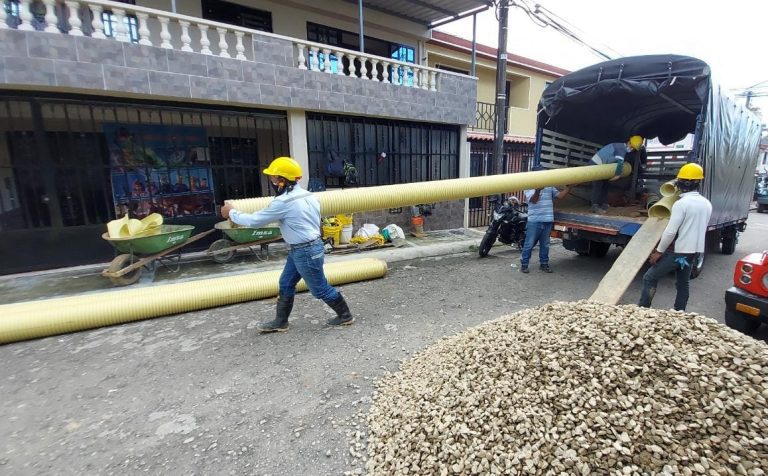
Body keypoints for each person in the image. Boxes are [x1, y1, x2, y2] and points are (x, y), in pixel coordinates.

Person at [220, 156, 354, 333]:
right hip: (302, 249)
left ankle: (345, 316)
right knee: (285, 283)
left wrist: (232, 212)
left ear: (283, 180)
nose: (272, 181)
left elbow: (254, 221)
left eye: (274, 178)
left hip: (305, 251)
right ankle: (281, 321)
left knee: (319, 288)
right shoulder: (308, 196)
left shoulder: (283, 202)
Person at [638, 163, 712, 311]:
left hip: (677, 251)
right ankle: (679, 313)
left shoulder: (681, 204)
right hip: (691, 252)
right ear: (698, 183)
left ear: (679, 183)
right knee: (682, 283)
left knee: (649, 277)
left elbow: (671, 231)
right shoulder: (707, 204)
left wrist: (658, 252)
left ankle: (642, 311)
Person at [519, 168, 572, 274]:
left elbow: (560, 196)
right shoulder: (528, 186)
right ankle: (524, 265)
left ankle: (544, 264)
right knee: (529, 244)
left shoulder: (549, 186)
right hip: (535, 221)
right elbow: (533, 201)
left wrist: (570, 187)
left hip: (547, 220)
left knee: (545, 244)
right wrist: (538, 190)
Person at [589, 135, 644, 214]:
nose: (631, 150)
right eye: (632, 147)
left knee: (605, 185)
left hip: (603, 166)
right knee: (598, 185)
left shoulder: (621, 147)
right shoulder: (620, 148)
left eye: (633, 149)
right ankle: (594, 206)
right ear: (629, 143)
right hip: (595, 165)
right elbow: (620, 163)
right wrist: (617, 175)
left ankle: (603, 204)